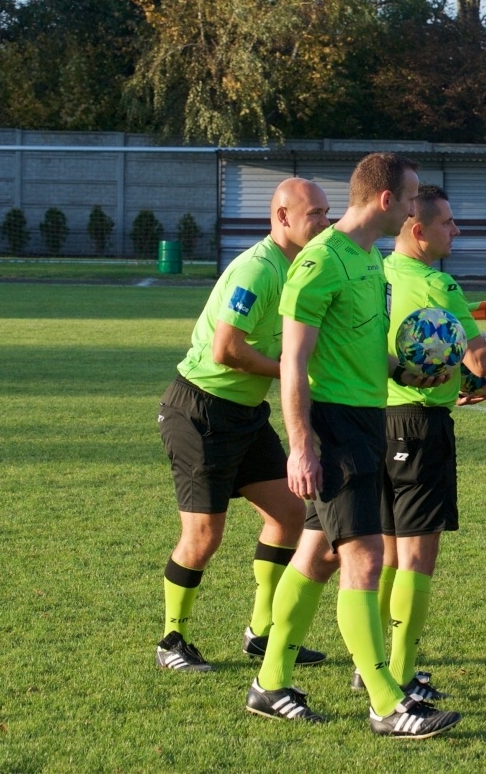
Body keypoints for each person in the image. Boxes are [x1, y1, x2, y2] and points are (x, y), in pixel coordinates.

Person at [244, 152, 461, 739]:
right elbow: (293, 361)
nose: (418, 208)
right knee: (363, 557)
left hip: (369, 420)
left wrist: (406, 372)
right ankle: (387, 701)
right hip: (334, 427)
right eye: (413, 197)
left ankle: (268, 682)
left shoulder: (368, 259)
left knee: (318, 555)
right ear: (388, 200)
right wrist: (301, 445)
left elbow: (363, 346)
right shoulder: (320, 262)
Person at [364, 184, 486, 698]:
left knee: (385, 555)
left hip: (372, 421)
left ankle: (372, 666)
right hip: (420, 426)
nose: (457, 230)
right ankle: (402, 677)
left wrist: (456, 371)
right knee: (415, 560)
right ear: (417, 229)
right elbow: (480, 361)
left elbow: (417, 345)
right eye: (448, 222)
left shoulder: (376, 271)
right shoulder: (437, 282)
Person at [155, 178, 331, 673]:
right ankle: (172, 640)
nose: (324, 222)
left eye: (326, 212)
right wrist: (290, 372)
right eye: (314, 213)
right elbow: (225, 349)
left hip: (246, 414)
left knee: (290, 514)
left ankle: (261, 632)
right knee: (203, 537)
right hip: (201, 411)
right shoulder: (258, 270)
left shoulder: (298, 265)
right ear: (281, 217)